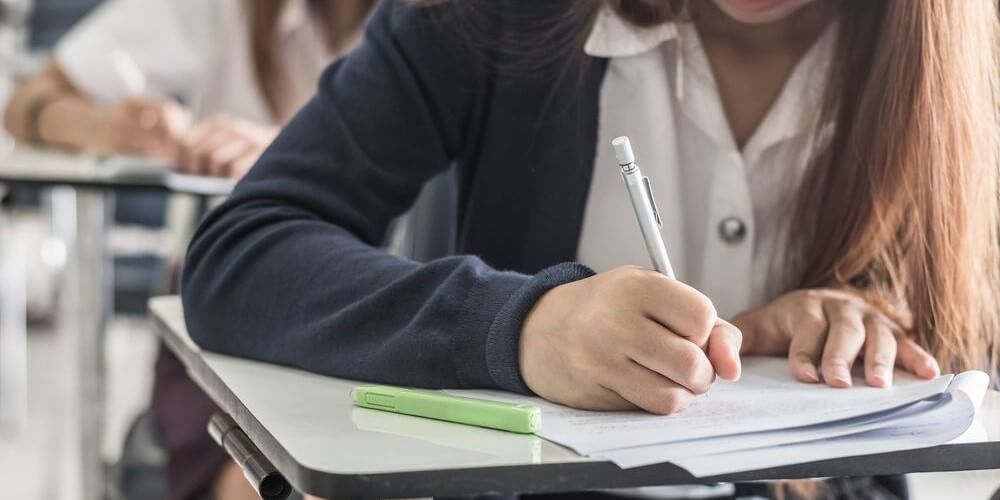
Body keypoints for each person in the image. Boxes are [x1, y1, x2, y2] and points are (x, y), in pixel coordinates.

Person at [182, 0, 1000, 497]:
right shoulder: (487, 17)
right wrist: (524, 326)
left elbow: (963, 337)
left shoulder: (957, 56)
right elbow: (243, 253)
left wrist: (872, 312)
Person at [4, 1, 374, 499]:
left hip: (378, 310)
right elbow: (28, 102)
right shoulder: (224, 9)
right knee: (269, 473)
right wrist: (113, 129)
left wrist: (287, 152)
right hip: (235, 309)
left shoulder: (445, 23)